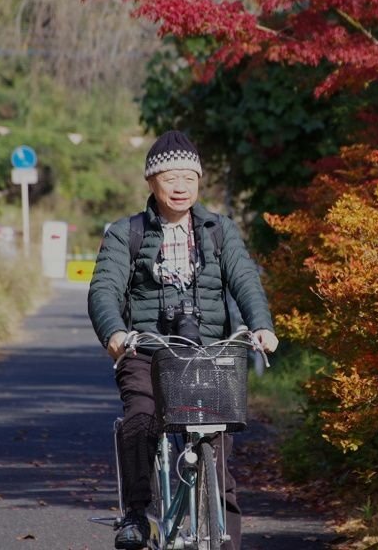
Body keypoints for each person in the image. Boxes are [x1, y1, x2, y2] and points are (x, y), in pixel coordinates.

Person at [87, 130, 278, 550]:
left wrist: (261, 325)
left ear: (199, 181)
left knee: (219, 450)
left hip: (211, 353)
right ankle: (137, 516)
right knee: (141, 417)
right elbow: (103, 290)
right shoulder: (126, 233)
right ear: (152, 182)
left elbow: (245, 280)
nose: (180, 186)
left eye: (189, 177)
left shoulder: (218, 230)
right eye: (170, 177)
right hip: (147, 351)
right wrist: (116, 334)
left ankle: (224, 539)